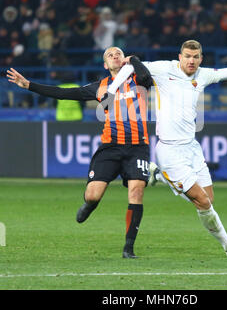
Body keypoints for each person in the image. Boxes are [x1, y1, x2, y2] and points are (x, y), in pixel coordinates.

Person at [106, 40, 227, 258]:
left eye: (195, 57)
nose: (191, 61)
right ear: (180, 57)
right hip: (169, 150)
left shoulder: (203, 75)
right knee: (202, 202)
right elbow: (129, 66)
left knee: (207, 201)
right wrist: (110, 90)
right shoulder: (164, 69)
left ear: (201, 58)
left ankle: (159, 176)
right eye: (187, 56)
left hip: (192, 148)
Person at [6, 47, 153, 259]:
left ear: (124, 60)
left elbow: (147, 77)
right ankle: (89, 204)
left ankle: (128, 248)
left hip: (138, 146)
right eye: (110, 55)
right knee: (94, 194)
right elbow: (65, 93)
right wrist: (29, 85)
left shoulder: (138, 81)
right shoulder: (100, 87)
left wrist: (135, 60)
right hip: (110, 147)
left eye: (118, 53)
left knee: (137, 191)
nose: (115, 56)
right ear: (105, 65)